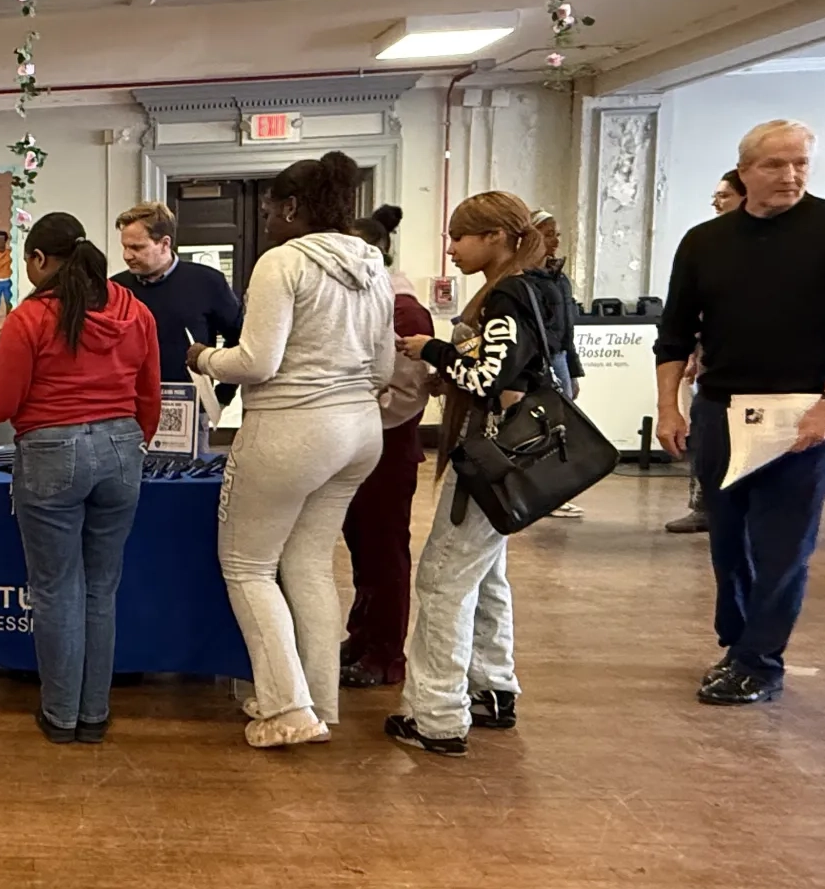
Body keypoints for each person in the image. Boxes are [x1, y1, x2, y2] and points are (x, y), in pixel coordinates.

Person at [189, 153, 395, 748]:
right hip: (360, 433)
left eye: (272, 209)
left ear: (292, 207)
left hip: (293, 431)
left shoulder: (284, 263)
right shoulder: (372, 263)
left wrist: (203, 358)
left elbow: (257, 362)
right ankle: (318, 699)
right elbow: (383, 365)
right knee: (307, 564)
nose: (269, 220)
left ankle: (285, 708)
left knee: (248, 567)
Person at [656, 120, 825, 707]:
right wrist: (669, 407)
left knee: (782, 547)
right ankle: (737, 644)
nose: (790, 175)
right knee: (727, 541)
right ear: (744, 171)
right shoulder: (705, 242)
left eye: (801, 164)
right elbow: (675, 333)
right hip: (721, 411)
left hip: (805, 413)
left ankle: (760, 662)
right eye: (775, 165)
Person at [0, 213, 160, 745]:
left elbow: (1, 404)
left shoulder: (30, 318)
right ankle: (94, 715)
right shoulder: (133, 310)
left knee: (55, 591)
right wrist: (130, 441)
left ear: (41, 261)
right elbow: (150, 398)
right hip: (121, 450)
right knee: (101, 589)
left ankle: (61, 715)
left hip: (51, 453)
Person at [386, 191, 562, 757]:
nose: (452, 248)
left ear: (495, 238)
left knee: (443, 580)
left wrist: (433, 349)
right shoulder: (549, 288)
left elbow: (489, 376)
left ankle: (436, 715)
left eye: (460, 237)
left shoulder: (509, 293)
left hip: (489, 453)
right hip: (523, 453)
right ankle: (492, 687)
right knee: (486, 574)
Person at [338, 206, 433, 689]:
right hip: (358, 448)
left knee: (384, 554)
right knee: (362, 552)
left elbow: (406, 397)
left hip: (387, 451)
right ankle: (363, 636)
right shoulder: (369, 302)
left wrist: (343, 403)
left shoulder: (404, 310)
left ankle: (386, 654)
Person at [665, 169, 749, 536]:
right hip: (713, 369)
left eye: (724, 196)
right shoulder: (706, 245)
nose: (716, 203)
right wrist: (695, 354)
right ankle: (703, 505)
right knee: (706, 437)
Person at [113, 202, 243, 398]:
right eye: (124, 247)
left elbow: (237, 338)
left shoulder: (208, 282)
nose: (127, 255)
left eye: (136, 247)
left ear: (164, 243)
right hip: (129, 406)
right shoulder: (115, 289)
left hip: (189, 404)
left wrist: (223, 394)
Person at [530, 211, 589, 519]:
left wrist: (573, 370)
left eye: (556, 233)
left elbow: (568, 330)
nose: (554, 240)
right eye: (547, 233)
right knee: (547, 429)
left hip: (561, 359)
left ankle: (556, 491)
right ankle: (547, 493)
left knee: (562, 427)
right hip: (542, 362)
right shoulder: (527, 278)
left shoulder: (559, 278)